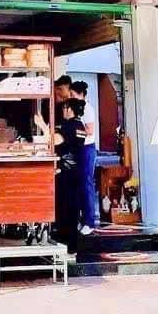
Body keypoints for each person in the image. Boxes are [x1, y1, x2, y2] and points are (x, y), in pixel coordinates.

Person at [53, 98, 86, 254]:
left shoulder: (70, 125)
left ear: (69, 109)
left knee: (65, 210)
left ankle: (66, 246)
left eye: (64, 107)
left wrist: (43, 126)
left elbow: (55, 140)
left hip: (67, 173)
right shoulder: (80, 126)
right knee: (72, 210)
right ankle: (71, 246)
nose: (62, 110)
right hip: (75, 172)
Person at [71, 81, 97, 234]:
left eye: (73, 95)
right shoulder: (76, 108)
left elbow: (90, 130)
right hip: (79, 148)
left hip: (87, 148)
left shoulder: (87, 109)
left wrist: (73, 133)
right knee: (79, 185)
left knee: (87, 184)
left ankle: (90, 221)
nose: (71, 97)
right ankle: (82, 219)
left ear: (81, 95)